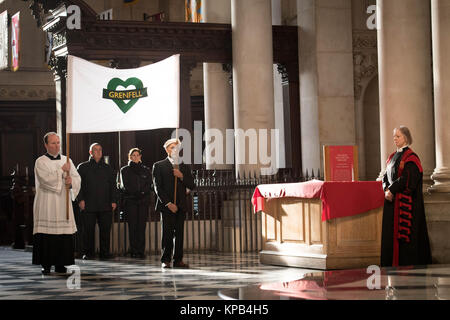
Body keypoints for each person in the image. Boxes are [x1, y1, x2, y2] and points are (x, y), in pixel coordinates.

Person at [381, 126, 432, 267]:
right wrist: (386, 190)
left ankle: (406, 265)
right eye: (394, 136)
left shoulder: (411, 158)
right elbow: (385, 177)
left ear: (406, 138)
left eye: (398, 136)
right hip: (391, 201)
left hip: (405, 204)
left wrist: (391, 190)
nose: (395, 139)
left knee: (405, 238)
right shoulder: (391, 157)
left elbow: (408, 179)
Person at [32, 132, 81, 274]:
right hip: (47, 203)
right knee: (47, 234)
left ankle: (61, 263)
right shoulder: (40, 161)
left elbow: (77, 178)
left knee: (62, 235)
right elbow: (45, 180)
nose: (56, 145)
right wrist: (61, 171)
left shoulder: (67, 160)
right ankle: (46, 264)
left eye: (58, 142)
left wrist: (71, 182)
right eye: (53, 143)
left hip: (62, 202)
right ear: (46, 145)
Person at [152, 138, 195, 268]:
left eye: (176, 148)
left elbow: (192, 185)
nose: (174, 150)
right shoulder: (159, 165)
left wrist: (181, 176)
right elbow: (157, 188)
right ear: (167, 150)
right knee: (167, 234)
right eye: (172, 147)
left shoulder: (184, 166)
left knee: (180, 235)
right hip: (167, 206)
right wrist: (168, 203)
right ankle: (166, 260)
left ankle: (178, 260)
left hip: (180, 206)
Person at [77, 143, 118, 260]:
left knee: (105, 230)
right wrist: (80, 200)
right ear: (90, 152)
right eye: (96, 150)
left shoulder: (108, 168)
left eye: (100, 149)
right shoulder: (82, 167)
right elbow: (77, 185)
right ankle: (88, 253)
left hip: (105, 204)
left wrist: (113, 200)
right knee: (88, 230)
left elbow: (113, 186)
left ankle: (105, 253)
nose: (99, 152)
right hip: (88, 203)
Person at [119, 148, 152, 259]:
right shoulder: (124, 170)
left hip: (143, 202)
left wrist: (142, 193)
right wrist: (136, 193)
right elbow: (125, 186)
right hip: (131, 201)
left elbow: (149, 185)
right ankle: (134, 250)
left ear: (140, 156)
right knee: (132, 227)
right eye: (133, 155)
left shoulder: (146, 170)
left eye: (138, 155)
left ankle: (141, 251)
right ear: (130, 157)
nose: (136, 157)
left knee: (141, 227)